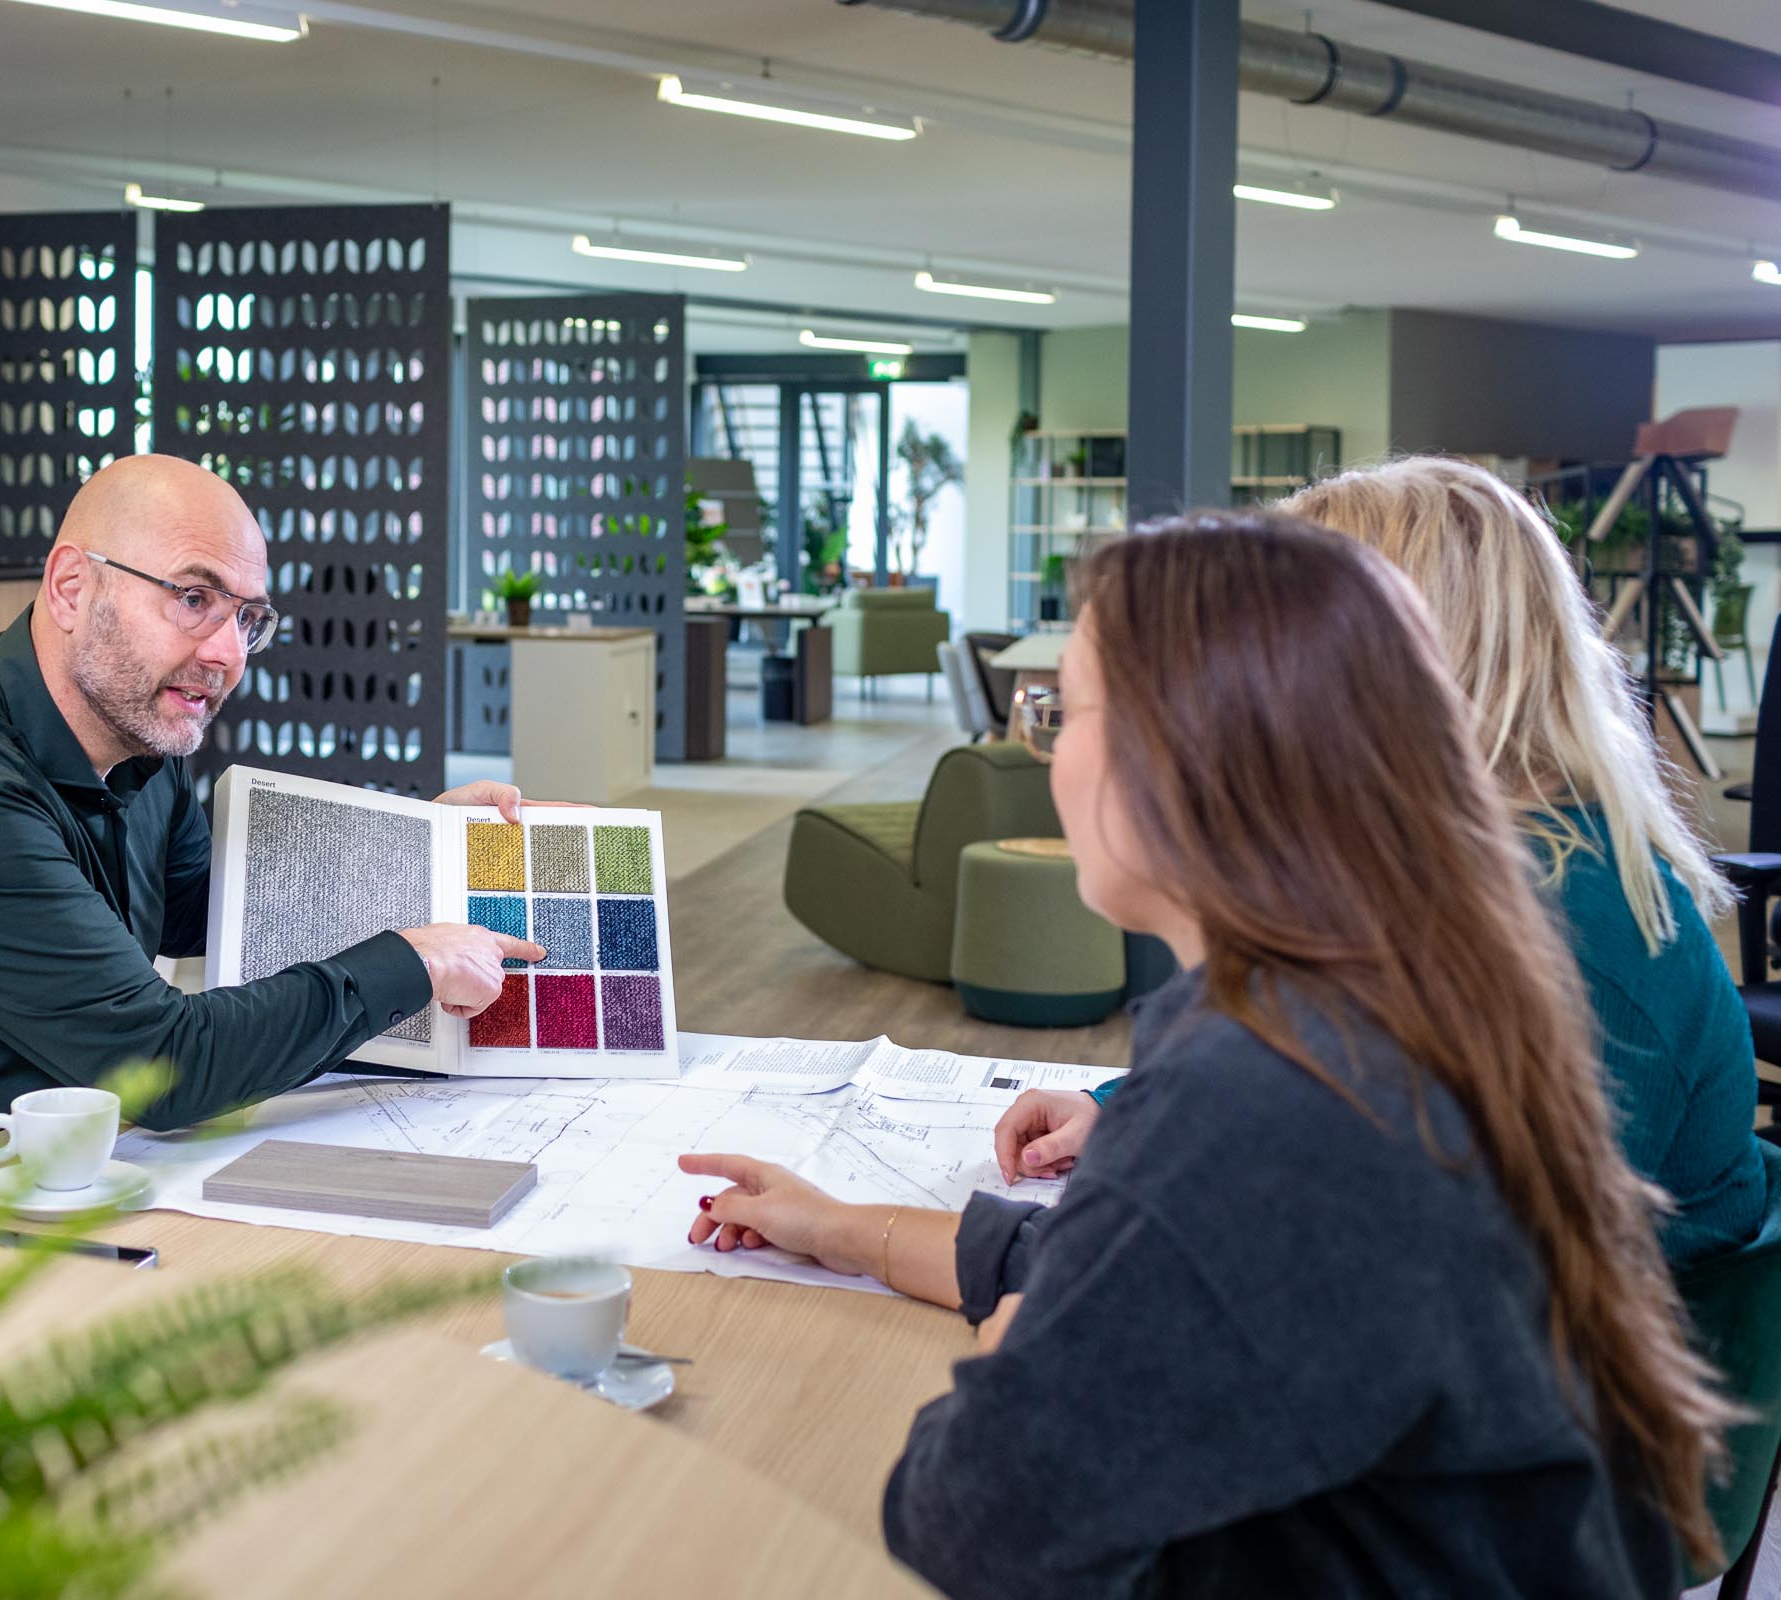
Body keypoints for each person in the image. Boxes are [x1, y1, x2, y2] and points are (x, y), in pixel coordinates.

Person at [681, 513, 1733, 1598]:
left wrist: (1010, 1351)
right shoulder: (1378, 1002)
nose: (1044, 748)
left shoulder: (1262, 1095)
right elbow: (1157, 1279)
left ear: (1183, 757)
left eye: (1063, 713)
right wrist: (843, 1230)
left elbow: (966, 1520)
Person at [1001, 456, 1764, 1267]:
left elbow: (1388, 1274)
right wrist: (1118, 1109)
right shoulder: (1439, 858)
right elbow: (1309, 1081)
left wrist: (1007, 1257)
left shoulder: (1558, 928)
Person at [0, 455, 544, 1136]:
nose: (227, 654)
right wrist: (412, 965)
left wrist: (415, 843)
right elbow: (160, 1065)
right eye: (192, 598)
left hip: (72, 1176)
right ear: (71, 588)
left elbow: (213, 906)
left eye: (248, 619)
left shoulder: (136, 734)